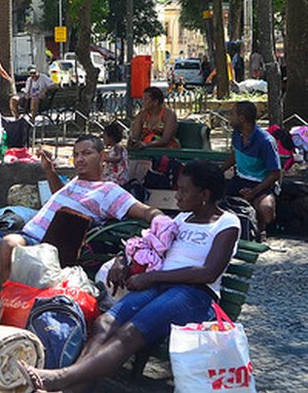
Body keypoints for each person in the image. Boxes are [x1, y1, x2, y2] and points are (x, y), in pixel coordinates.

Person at [19, 160, 240, 392]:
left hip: (194, 295)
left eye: (184, 190)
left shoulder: (227, 223)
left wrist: (153, 278)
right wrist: (123, 259)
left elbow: (209, 272)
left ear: (204, 194)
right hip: (160, 287)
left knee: (129, 332)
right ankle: (74, 387)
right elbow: (150, 245)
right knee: (105, 323)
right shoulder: (182, 219)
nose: (177, 195)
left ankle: (61, 378)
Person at [0, 135, 162, 287]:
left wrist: (159, 218)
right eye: (76, 154)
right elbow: (60, 195)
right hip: (19, 238)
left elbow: (143, 211)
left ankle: (8, 304)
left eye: (87, 153)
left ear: (102, 157)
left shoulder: (109, 191)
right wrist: (49, 171)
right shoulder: (75, 182)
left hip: (41, 251)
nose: (80, 159)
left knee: (10, 243)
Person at [222, 101, 281, 233]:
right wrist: (219, 170)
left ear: (241, 119)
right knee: (216, 201)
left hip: (261, 184)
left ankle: (259, 230)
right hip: (239, 179)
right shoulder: (237, 134)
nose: (230, 118)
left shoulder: (265, 141)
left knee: (266, 210)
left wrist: (254, 192)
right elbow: (235, 154)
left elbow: (275, 173)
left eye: (232, 114)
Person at [102, 121, 130, 186]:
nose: (104, 139)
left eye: (104, 137)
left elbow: (118, 158)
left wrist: (106, 158)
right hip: (115, 174)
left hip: (118, 177)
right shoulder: (113, 148)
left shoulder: (118, 147)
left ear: (110, 137)